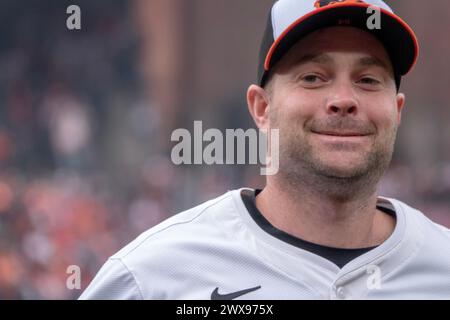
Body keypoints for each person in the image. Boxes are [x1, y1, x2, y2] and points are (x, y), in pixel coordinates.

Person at [80, 0, 450, 300]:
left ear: (397, 110)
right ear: (262, 108)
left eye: (368, 80)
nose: (342, 100)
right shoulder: (154, 277)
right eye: (312, 78)